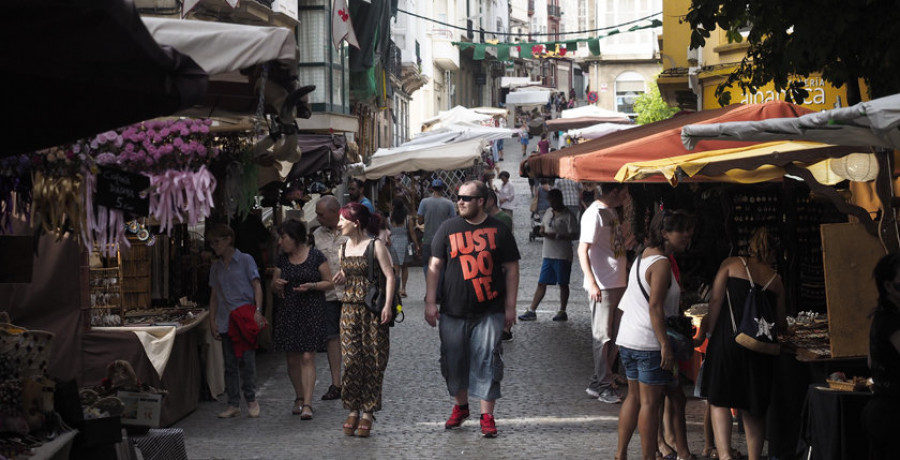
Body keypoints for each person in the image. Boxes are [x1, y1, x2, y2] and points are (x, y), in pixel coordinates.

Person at [425, 180, 520, 438]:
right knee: (453, 361)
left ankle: (487, 415)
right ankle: (461, 407)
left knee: (487, 358)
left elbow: (512, 268)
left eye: (467, 198)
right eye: (459, 197)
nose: (461, 201)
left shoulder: (499, 230)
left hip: (490, 309)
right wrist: (430, 301)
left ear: (482, 201)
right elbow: (435, 266)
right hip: (452, 310)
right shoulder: (447, 228)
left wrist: (510, 307)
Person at [615, 210, 695, 460]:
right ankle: (648, 457)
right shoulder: (660, 263)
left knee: (634, 399)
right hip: (648, 343)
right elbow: (655, 306)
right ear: (664, 233)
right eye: (681, 230)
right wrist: (664, 345)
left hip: (629, 338)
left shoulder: (642, 257)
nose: (687, 235)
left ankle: (620, 455)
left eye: (688, 230)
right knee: (649, 404)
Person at [701, 227, 786, 460]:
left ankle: (726, 454)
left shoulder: (730, 264)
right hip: (758, 348)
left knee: (719, 399)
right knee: (753, 406)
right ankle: (754, 457)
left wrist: (709, 334)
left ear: (751, 245)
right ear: (773, 253)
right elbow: (779, 324)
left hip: (726, 341)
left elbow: (716, 300)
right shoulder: (776, 281)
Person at [332, 203, 395, 437]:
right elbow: (350, 273)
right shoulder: (343, 248)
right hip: (349, 309)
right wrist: (343, 274)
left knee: (375, 360)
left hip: (373, 310)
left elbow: (390, 276)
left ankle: (368, 411)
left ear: (355, 222)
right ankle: (353, 407)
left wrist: (388, 305)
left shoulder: (375, 245)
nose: (339, 224)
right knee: (351, 361)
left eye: (342, 220)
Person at [271, 220, 332, 419]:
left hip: (311, 309)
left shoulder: (316, 256)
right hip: (289, 310)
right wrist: (277, 285)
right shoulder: (282, 259)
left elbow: (329, 283)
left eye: (284, 237)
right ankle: (298, 396)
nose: (281, 242)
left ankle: (307, 403)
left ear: (295, 237)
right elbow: (274, 284)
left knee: (307, 356)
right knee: (292, 358)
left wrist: (312, 286)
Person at [579, 183, 629, 404]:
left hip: (617, 282)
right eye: (625, 193)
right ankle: (604, 385)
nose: (626, 197)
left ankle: (598, 380)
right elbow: (583, 249)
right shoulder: (594, 213)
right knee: (603, 336)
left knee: (617, 335)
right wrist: (592, 282)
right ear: (615, 191)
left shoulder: (610, 212)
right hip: (603, 284)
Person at [207, 224, 264, 419]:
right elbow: (214, 296)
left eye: (216, 241)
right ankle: (233, 403)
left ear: (228, 239)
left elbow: (257, 286)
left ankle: (251, 399)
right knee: (229, 364)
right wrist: (212, 320)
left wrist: (257, 310)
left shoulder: (246, 260)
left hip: (244, 318)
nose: (214, 246)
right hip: (226, 320)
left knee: (247, 362)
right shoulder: (216, 267)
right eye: (211, 243)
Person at [519, 189, 579, 322]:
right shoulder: (548, 212)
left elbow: (575, 234)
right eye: (550, 200)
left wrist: (557, 236)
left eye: (553, 200)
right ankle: (532, 310)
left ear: (559, 199)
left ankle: (562, 310)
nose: (551, 202)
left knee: (563, 283)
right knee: (542, 282)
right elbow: (544, 226)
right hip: (548, 254)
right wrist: (541, 230)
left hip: (562, 254)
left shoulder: (568, 215)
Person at [863, 252, 900, 460]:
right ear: (888, 287)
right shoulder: (892, 321)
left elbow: (870, 361)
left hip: (881, 409)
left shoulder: (881, 317)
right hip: (891, 413)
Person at [311, 195, 347, 401]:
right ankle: (336, 383)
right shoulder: (316, 236)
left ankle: (353, 379)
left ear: (335, 212)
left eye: (321, 214)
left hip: (352, 294)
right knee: (332, 338)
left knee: (353, 338)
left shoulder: (352, 231)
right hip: (329, 295)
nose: (317, 218)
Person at [417, 178, 456, 278]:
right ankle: (439, 288)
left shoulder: (424, 202)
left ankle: (429, 287)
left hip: (428, 240)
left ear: (431, 188)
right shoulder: (449, 203)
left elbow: (420, 221)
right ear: (442, 189)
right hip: (443, 240)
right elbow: (453, 221)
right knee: (441, 265)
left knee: (426, 264)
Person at [389, 198, 418, 298]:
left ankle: (396, 290)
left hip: (393, 244)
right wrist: (416, 244)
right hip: (405, 243)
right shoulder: (407, 219)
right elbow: (412, 233)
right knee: (405, 267)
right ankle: (403, 289)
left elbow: (387, 233)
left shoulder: (389, 219)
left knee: (396, 268)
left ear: (393, 207)